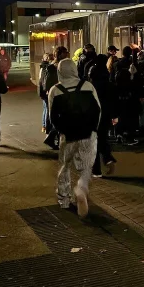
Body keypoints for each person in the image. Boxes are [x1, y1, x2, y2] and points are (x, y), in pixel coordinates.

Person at [48, 59, 101, 217]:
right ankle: (81, 187)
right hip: (88, 133)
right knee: (86, 166)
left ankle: (64, 198)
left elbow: (52, 117)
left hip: (68, 134)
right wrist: (94, 130)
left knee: (65, 166)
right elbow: (98, 109)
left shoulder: (55, 90)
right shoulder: (88, 86)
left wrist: (61, 131)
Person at [88, 54, 119, 177]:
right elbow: (114, 100)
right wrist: (115, 116)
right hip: (106, 114)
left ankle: (96, 171)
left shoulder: (91, 77)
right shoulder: (108, 80)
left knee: (93, 141)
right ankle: (107, 158)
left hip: (93, 114)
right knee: (102, 137)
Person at [43, 46, 70, 149]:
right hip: (57, 94)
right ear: (59, 54)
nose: (66, 54)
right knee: (59, 117)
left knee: (62, 117)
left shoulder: (64, 64)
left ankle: (53, 137)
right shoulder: (52, 67)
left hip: (62, 92)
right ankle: (54, 138)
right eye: (64, 52)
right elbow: (47, 83)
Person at [112, 46, 140, 145]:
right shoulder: (132, 64)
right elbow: (137, 79)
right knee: (130, 115)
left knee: (119, 114)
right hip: (130, 94)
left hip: (118, 93)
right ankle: (129, 136)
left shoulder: (117, 64)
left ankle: (118, 133)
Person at [38, 53, 52, 133]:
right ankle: (46, 126)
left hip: (43, 91)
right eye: (47, 57)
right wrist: (46, 90)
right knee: (47, 108)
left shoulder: (42, 67)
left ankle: (44, 125)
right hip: (45, 91)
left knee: (45, 108)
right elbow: (44, 81)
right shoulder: (46, 68)